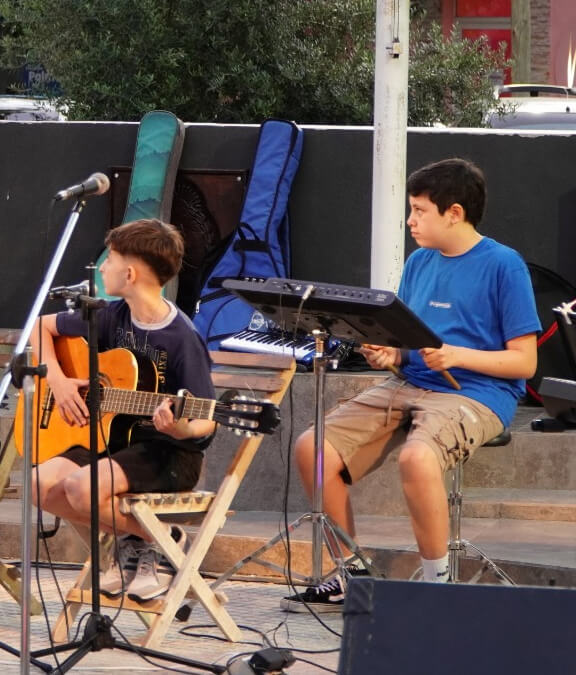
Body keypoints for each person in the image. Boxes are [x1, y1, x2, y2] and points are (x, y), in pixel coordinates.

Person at [281, 158, 539, 612]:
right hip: (409, 384)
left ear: (454, 213)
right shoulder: (419, 262)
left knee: (418, 458)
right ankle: (350, 574)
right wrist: (391, 355)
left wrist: (457, 355)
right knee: (312, 448)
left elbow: (525, 362)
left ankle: (437, 589)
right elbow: (406, 344)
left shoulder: (504, 265)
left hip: (476, 394)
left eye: (419, 210)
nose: (410, 220)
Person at [32, 219, 217, 602]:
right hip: (114, 442)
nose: (102, 267)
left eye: (110, 259)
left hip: (168, 452)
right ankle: (137, 542)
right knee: (39, 485)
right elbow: (39, 327)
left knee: (81, 488)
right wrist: (59, 383)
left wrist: (178, 428)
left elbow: (206, 420)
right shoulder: (112, 315)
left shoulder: (182, 337)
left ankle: (161, 543)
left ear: (129, 274)